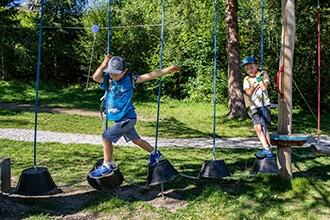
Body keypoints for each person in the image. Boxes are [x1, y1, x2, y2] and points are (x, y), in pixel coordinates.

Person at [89, 54, 181, 179]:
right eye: (110, 72)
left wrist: (169, 69)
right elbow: (95, 77)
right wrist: (104, 64)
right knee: (136, 140)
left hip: (127, 118)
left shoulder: (130, 79)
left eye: (116, 73)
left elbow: (151, 75)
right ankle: (155, 154)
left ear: (124, 71)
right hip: (120, 119)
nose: (113, 75)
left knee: (106, 137)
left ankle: (107, 166)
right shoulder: (108, 80)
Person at [241, 56, 275, 159]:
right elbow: (249, 93)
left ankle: (268, 149)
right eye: (247, 69)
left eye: (251, 67)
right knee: (257, 127)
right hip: (254, 106)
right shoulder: (246, 79)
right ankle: (265, 147)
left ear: (256, 66)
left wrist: (259, 78)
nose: (249, 70)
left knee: (264, 127)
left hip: (264, 104)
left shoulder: (264, 75)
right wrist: (256, 82)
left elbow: (264, 87)